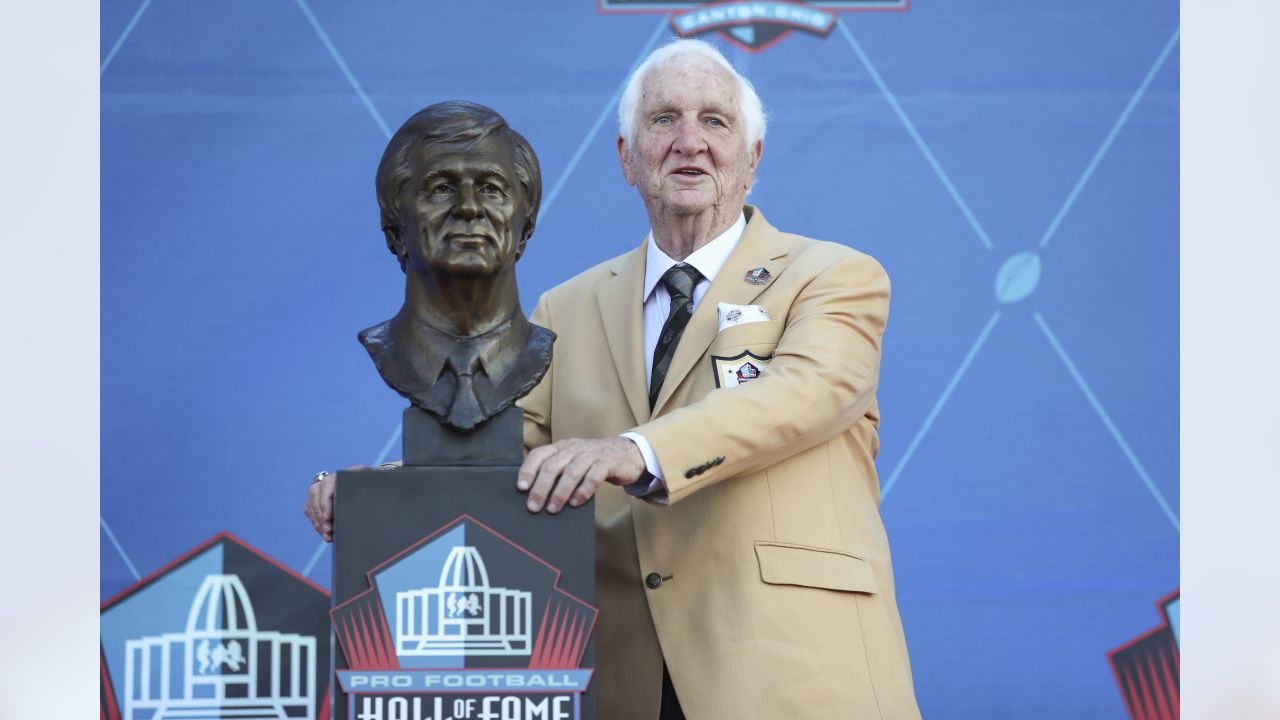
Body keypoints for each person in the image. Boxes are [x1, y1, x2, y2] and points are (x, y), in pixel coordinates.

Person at [307, 40, 919, 719]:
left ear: (754, 159)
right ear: (627, 158)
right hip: (625, 684)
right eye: (664, 120)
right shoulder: (565, 310)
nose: (690, 141)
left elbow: (802, 394)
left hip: (795, 676)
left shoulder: (835, 277)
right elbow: (497, 464)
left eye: (715, 121)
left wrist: (631, 451)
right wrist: (380, 498)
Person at [358, 100, 554, 431]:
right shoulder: (386, 348)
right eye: (441, 189)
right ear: (394, 230)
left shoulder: (550, 348)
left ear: (526, 229)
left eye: (491, 189)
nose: (468, 208)